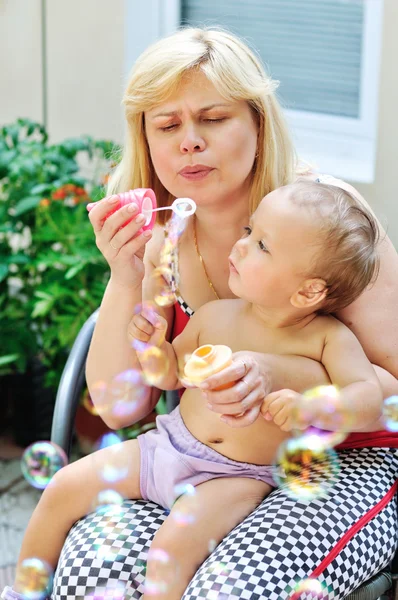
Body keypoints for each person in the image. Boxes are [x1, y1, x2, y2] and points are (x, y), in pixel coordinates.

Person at [52, 27, 398, 600]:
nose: (190, 141)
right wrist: (125, 274)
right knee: (92, 574)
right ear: (146, 139)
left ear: (258, 124)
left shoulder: (327, 223)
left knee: (229, 589)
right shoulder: (161, 236)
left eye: (213, 119)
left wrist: (279, 375)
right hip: (203, 458)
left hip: (346, 462)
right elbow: (118, 406)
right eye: (167, 125)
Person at [2, 181, 385, 600]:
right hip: (168, 445)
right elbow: (171, 374)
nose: (240, 247)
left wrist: (311, 407)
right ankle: (24, 591)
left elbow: (366, 399)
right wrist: (153, 349)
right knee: (64, 485)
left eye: (262, 246)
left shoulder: (328, 338)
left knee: (172, 548)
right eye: (247, 232)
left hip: (238, 477)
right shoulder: (216, 315)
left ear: (309, 290)